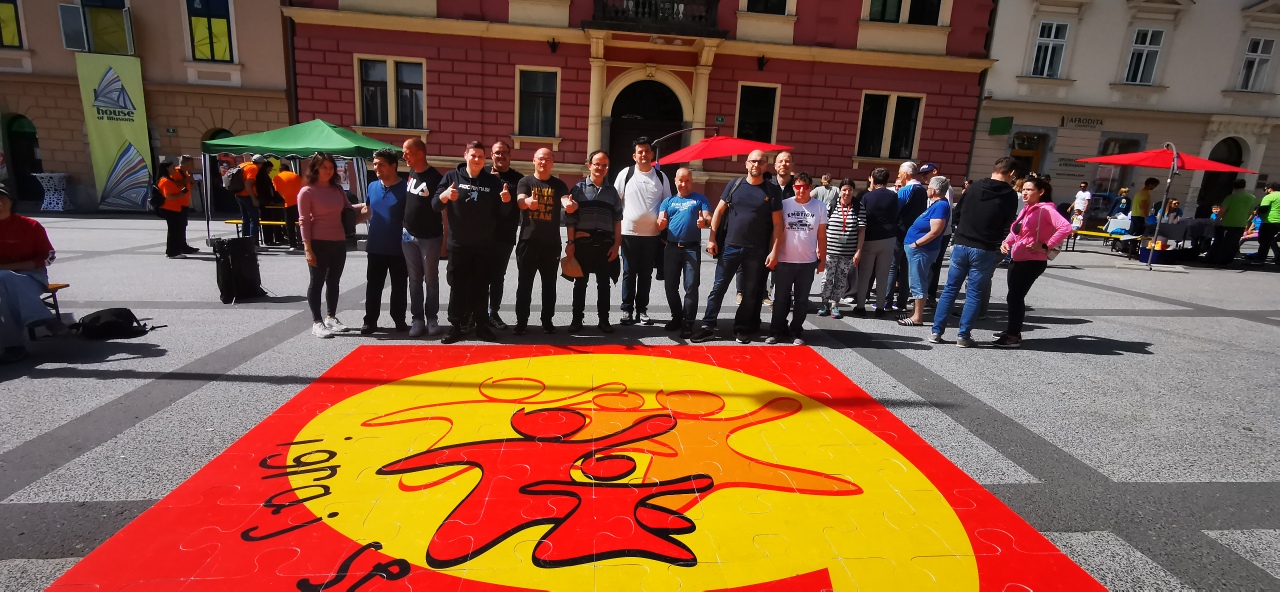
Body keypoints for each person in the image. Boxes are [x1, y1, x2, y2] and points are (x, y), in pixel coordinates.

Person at [691, 149, 782, 344]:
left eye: (760, 162)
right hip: (730, 247)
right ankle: (708, 326)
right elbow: (718, 212)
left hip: (756, 251)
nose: (756, 165)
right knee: (718, 288)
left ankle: (740, 327)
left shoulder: (772, 190)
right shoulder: (735, 185)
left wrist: (774, 251)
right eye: (753, 161)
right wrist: (712, 239)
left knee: (749, 292)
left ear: (765, 165)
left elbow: (777, 224)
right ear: (746, 163)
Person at [930, 157, 1019, 347]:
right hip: (985, 247)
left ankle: (936, 332)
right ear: (1011, 173)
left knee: (950, 289)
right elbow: (1008, 223)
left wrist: (962, 231)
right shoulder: (1009, 194)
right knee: (974, 293)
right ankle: (963, 336)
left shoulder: (974, 187)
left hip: (962, 243)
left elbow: (957, 213)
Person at [433, 141, 513, 344]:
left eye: (480, 156)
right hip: (458, 245)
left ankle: (481, 326)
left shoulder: (492, 181)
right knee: (457, 287)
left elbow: (503, 213)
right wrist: (444, 196)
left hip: (484, 246)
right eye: (473, 155)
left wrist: (506, 201)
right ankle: (456, 326)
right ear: (465, 156)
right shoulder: (451, 177)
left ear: (485, 159)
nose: (477, 159)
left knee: (481, 287)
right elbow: (434, 205)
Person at [993, 177, 1072, 348]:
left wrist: (1045, 245)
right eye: (1023, 189)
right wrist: (1006, 242)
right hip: (1018, 258)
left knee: (1015, 297)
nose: (1024, 193)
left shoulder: (1046, 209)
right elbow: (1017, 231)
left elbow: (1066, 227)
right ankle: (1014, 330)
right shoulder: (1028, 208)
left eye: (1029, 190)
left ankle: (1013, 336)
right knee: (1013, 297)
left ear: (1041, 192)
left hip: (1032, 261)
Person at [298, 153, 370, 339]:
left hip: (338, 242)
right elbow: (304, 221)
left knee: (333, 281)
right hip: (318, 242)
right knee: (317, 282)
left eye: (331, 167)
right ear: (315, 168)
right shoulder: (307, 192)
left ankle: (331, 317)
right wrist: (308, 248)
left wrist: (368, 204)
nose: (328, 171)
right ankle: (317, 322)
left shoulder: (337, 189)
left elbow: (348, 209)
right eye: (324, 167)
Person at [565, 150, 623, 334]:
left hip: (605, 244)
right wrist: (570, 243)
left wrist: (617, 245)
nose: (601, 168)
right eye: (597, 164)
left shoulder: (612, 192)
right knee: (580, 284)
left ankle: (604, 320)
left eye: (604, 165)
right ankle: (576, 320)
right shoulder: (578, 189)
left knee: (604, 284)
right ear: (589, 165)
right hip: (582, 243)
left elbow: (617, 220)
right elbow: (570, 219)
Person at [513, 148, 569, 335]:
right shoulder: (525, 181)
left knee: (549, 284)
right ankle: (521, 321)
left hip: (551, 244)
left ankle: (547, 320)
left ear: (552, 163)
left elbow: (564, 199)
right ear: (534, 160)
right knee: (524, 284)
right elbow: (520, 200)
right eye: (540, 159)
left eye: (547, 159)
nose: (543, 162)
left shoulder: (559, 184)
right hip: (528, 242)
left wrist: (568, 204)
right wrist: (527, 202)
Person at [614, 137, 668, 326]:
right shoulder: (625, 174)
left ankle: (642, 310)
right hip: (629, 233)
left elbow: (667, 203)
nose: (643, 154)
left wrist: (663, 218)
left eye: (647, 151)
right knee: (629, 272)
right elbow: (615, 202)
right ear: (634, 155)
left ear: (652, 154)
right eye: (640, 152)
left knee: (646, 274)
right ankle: (627, 309)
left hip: (652, 235)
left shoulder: (661, 177)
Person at [0, 183, 56, 364]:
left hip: (32, 276)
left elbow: (48, 257)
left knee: (4, 280)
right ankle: (40, 316)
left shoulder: (30, 225)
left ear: (11, 202)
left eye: (2, 198)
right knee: (4, 283)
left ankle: (13, 347)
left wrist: (10, 267)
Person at [769, 172, 826, 345]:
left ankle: (796, 331)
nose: (801, 190)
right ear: (793, 187)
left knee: (801, 301)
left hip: (807, 262)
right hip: (785, 260)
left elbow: (821, 235)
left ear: (811, 187)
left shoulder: (819, 206)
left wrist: (822, 260)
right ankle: (776, 331)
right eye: (798, 187)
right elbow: (776, 230)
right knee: (780, 299)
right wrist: (773, 253)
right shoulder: (785, 204)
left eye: (805, 187)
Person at [656, 167, 711, 338]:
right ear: (675, 181)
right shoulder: (668, 201)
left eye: (687, 181)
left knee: (691, 287)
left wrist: (705, 222)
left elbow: (708, 218)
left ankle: (688, 322)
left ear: (691, 181)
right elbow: (660, 221)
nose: (683, 184)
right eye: (680, 180)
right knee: (670, 286)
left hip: (691, 249)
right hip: (671, 248)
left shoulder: (700, 199)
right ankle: (677, 317)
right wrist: (661, 223)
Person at [401, 137, 445, 338]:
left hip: (430, 238)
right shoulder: (411, 173)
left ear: (420, 154)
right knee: (414, 280)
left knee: (431, 279)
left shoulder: (435, 178)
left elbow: (443, 209)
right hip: (408, 236)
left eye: (407, 152)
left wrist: (445, 239)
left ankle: (432, 318)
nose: (404, 156)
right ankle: (417, 319)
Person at [362, 148, 409, 335]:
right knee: (373, 286)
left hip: (400, 248)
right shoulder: (372, 186)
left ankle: (399, 319)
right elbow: (367, 211)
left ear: (393, 165)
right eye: (375, 164)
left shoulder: (406, 188)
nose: (376, 168)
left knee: (399, 286)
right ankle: (370, 321)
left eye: (381, 164)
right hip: (375, 246)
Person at [898, 176, 951, 327]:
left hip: (922, 250)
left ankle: (917, 317)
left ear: (933, 190)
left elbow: (935, 231)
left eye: (928, 188)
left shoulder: (941, 206)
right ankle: (914, 312)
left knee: (918, 281)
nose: (927, 190)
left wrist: (916, 243)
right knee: (916, 280)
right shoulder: (937, 204)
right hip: (919, 249)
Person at [487, 140, 524, 330]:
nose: (501, 156)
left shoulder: (518, 179)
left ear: (510, 155)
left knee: (497, 276)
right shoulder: (483, 174)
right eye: (497, 153)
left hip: (504, 235)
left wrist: (499, 184)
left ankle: (493, 312)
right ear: (491, 155)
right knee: (478, 275)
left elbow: (519, 204)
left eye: (504, 153)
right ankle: (475, 314)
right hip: (480, 235)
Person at [852, 168, 899, 316]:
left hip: (870, 238)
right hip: (889, 238)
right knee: (883, 274)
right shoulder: (893, 196)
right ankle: (880, 308)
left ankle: (860, 306)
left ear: (872, 179)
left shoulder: (867, 196)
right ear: (887, 180)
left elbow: (862, 217)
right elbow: (896, 214)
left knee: (865, 274)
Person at [886, 162, 928, 312]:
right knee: (906, 268)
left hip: (900, 232)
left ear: (905, 174)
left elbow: (894, 211)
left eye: (899, 173)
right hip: (915, 234)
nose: (898, 175)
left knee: (893, 266)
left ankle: (887, 301)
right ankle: (902, 302)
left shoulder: (905, 190)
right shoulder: (923, 190)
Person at [819, 179, 862, 319]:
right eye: (844, 190)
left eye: (850, 190)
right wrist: (819, 247)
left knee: (841, 279)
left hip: (847, 252)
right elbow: (822, 227)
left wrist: (858, 251)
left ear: (853, 191)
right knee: (827, 278)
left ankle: (835, 305)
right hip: (830, 251)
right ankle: (824, 303)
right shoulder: (831, 205)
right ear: (840, 191)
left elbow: (862, 230)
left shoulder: (858, 207)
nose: (847, 192)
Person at [1208, 179, 1258, 266]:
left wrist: (1217, 220)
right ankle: (1227, 260)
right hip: (1241, 223)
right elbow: (1251, 212)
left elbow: (1222, 210)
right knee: (1233, 243)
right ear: (1244, 186)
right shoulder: (1252, 198)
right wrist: (1247, 221)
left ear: (1233, 187)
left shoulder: (1230, 197)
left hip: (1226, 223)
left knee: (1220, 242)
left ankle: (1215, 258)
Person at [155, 158, 193, 259]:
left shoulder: (168, 180)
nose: (174, 169)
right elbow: (168, 196)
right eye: (172, 167)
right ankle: (172, 252)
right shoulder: (165, 181)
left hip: (174, 209)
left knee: (175, 230)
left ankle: (173, 251)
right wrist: (180, 195)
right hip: (170, 209)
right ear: (167, 168)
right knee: (173, 231)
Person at [273, 162, 303, 251]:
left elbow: (278, 192)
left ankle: (293, 245)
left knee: (290, 225)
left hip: (288, 204)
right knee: (302, 223)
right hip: (299, 203)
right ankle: (303, 241)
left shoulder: (276, 178)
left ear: (280, 170)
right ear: (288, 169)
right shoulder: (296, 176)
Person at [1247, 182, 1280, 265]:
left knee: (1263, 240)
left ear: (1270, 189)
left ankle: (1260, 259)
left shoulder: (1269, 196)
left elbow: (1263, 209)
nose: (1265, 191)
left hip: (1270, 221)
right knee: (1271, 240)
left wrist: (1257, 211)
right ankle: (1278, 257)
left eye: (1265, 189)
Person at [233, 156, 261, 243]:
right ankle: (254, 244)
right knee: (254, 220)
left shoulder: (243, 165)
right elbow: (248, 184)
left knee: (245, 219)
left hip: (238, 194)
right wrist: (254, 198)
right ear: (260, 163)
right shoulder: (253, 168)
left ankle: (244, 243)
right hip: (247, 195)